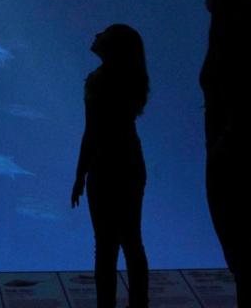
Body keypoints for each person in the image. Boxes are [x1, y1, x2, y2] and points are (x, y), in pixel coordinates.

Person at [201, 0, 251, 308]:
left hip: (234, 155)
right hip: (245, 151)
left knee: (243, 253)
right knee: (245, 250)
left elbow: (240, 106)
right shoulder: (243, 44)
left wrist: (221, 149)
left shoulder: (234, 49)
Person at [71, 24, 150, 308]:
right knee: (132, 240)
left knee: (105, 245)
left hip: (104, 166)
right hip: (131, 160)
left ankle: (106, 304)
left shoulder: (98, 80)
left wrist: (80, 174)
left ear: (112, 46)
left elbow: (91, 131)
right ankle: (139, 303)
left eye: (102, 33)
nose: (95, 34)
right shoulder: (134, 79)